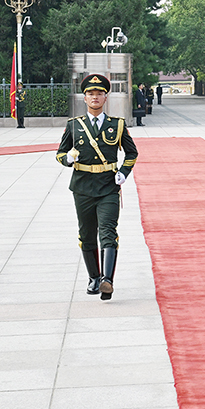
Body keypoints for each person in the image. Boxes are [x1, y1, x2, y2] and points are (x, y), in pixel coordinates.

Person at [55, 74, 138, 300]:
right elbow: (60, 154)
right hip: (82, 187)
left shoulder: (117, 125)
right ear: (84, 98)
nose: (95, 97)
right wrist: (68, 160)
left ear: (105, 97)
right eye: (90, 94)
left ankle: (107, 280)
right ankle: (93, 277)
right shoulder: (74, 126)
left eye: (99, 93)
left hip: (108, 187)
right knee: (86, 234)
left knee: (108, 232)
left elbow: (132, 152)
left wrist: (123, 172)